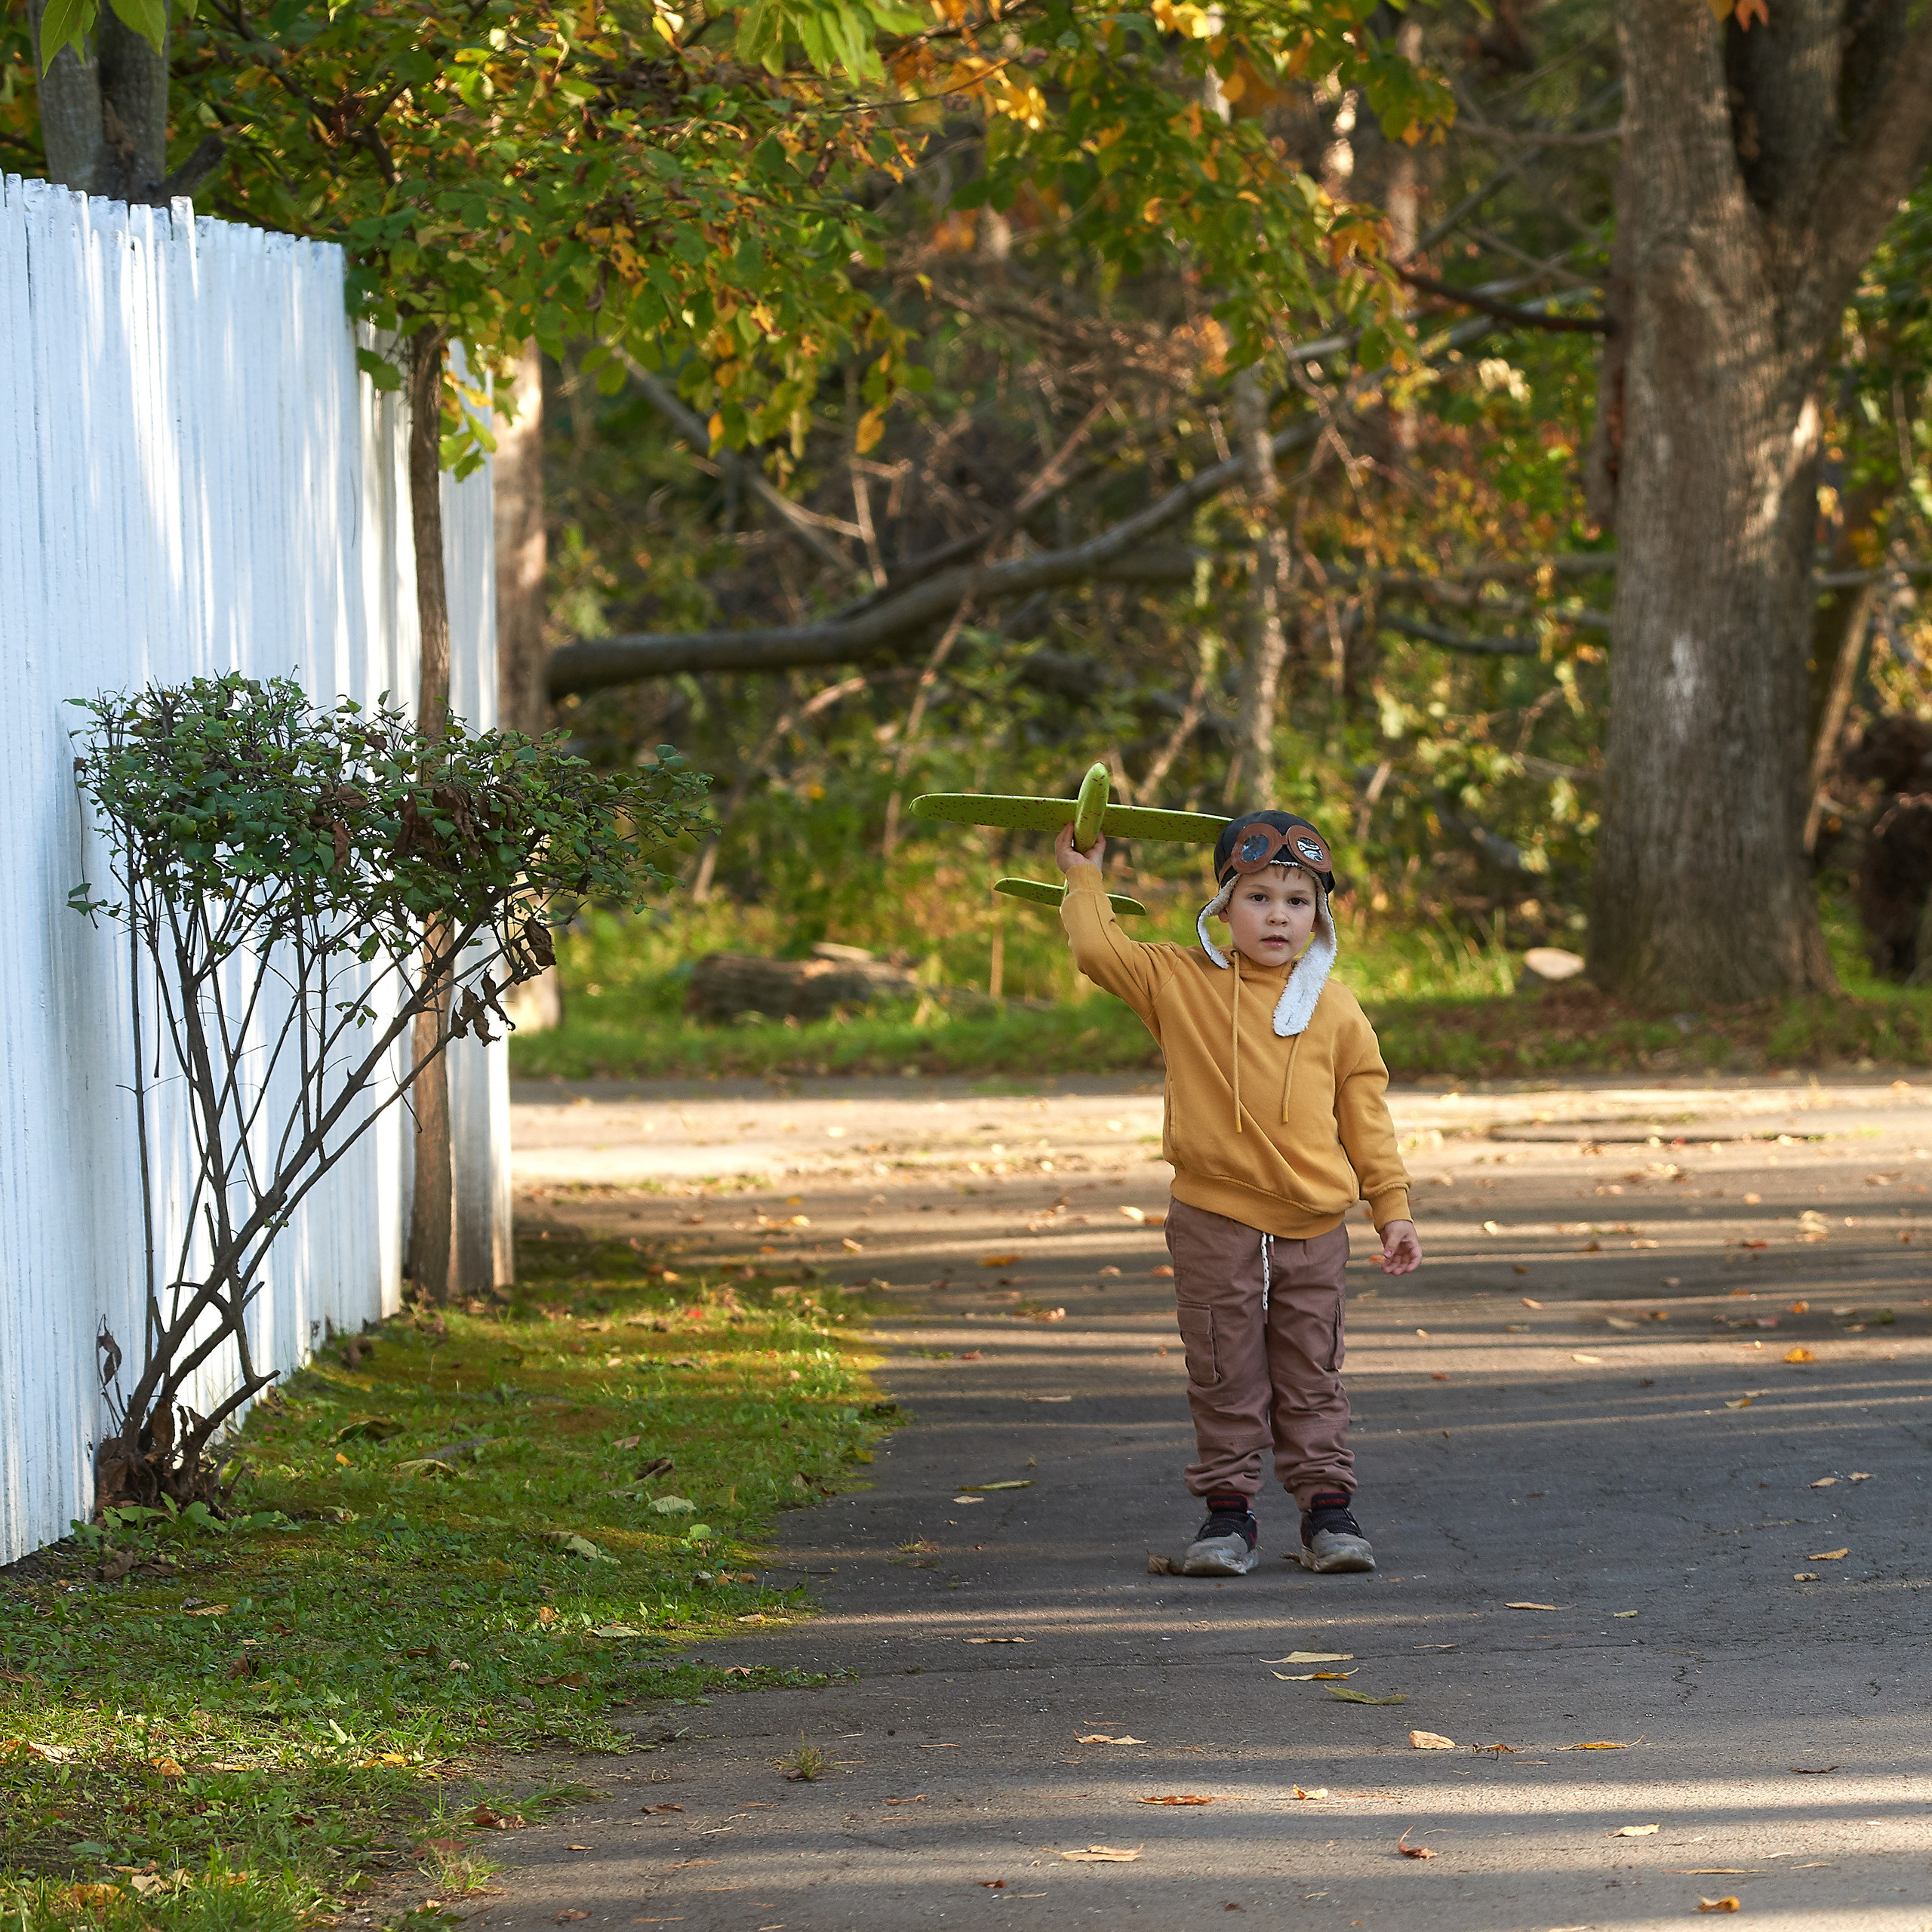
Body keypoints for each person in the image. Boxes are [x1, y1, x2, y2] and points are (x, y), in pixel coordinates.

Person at [1053, 808, 1420, 1577]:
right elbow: (1095, 948)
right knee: (1223, 1372)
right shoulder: (1177, 981)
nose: (1277, 915)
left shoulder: (1336, 1008)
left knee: (1310, 1372)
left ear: (1317, 914)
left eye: (1296, 900)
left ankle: (1328, 1513)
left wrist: (1391, 1208)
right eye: (1257, 897)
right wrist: (1083, 874)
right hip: (1213, 1220)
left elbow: (1366, 1117)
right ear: (1222, 907)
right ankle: (1228, 1515)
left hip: (1313, 1228)